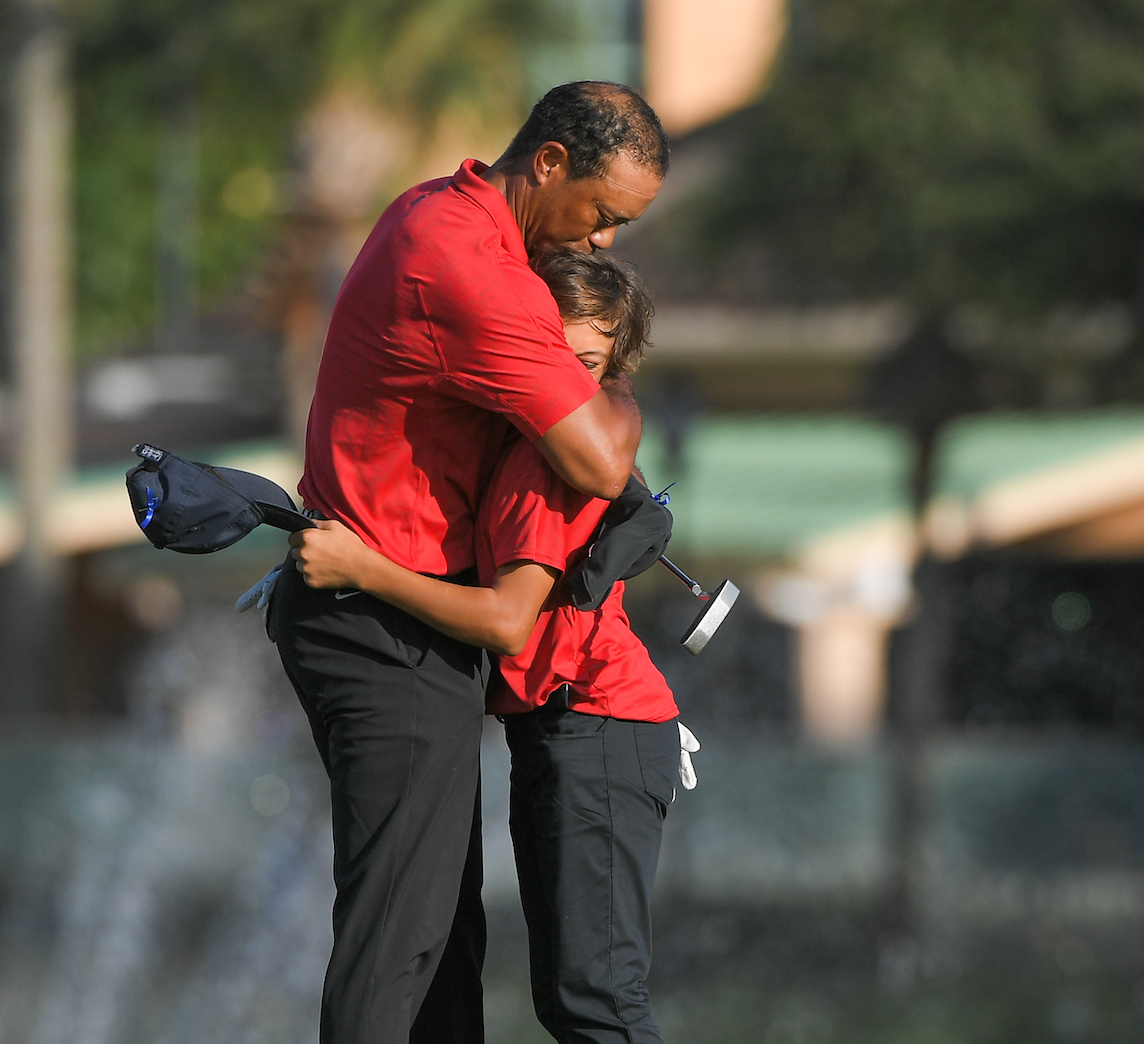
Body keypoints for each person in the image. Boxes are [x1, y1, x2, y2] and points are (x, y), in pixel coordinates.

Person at [268, 82, 669, 1044]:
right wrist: (616, 387)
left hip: (398, 616)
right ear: (550, 162)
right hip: (381, 622)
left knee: (443, 934)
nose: (605, 238)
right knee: (402, 935)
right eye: (601, 212)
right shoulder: (467, 264)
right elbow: (597, 462)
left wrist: (604, 377)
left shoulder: (434, 210)